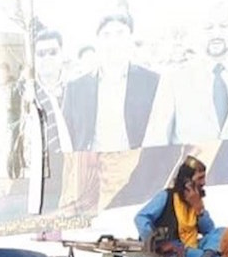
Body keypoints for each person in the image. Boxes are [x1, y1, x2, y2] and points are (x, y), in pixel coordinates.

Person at [145, 1, 228, 143]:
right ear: (197, 29)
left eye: (224, 26)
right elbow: (155, 140)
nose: (216, 34)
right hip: (191, 164)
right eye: (208, 27)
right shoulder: (174, 79)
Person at [62, 8, 159, 152]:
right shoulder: (76, 88)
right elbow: (67, 138)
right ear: (97, 41)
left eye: (120, 33)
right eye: (106, 35)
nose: (114, 41)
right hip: (91, 169)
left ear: (130, 37)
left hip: (139, 168)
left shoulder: (151, 82)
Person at [134, 156, 223, 257]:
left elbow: (209, 230)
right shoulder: (167, 197)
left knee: (224, 232)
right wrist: (156, 242)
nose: (203, 183)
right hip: (176, 249)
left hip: (194, 246)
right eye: (200, 178)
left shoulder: (196, 201)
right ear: (187, 182)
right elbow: (141, 218)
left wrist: (199, 209)